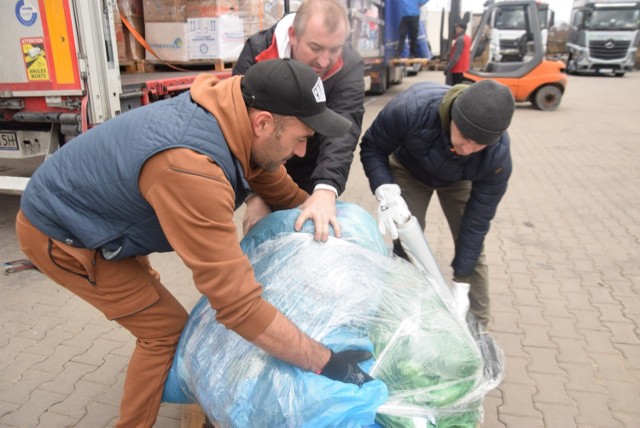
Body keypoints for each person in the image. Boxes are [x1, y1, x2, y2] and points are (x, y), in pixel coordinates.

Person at [15, 58, 373, 427]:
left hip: (107, 220)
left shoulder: (234, 116)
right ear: (263, 123)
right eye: (301, 139)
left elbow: (285, 194)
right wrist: (326, 362)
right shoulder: (191, 169)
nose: (301, 152)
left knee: (157, 307)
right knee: (164, 333)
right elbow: (239, 308)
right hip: (63, 233)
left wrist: (336, 227)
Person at [359, 79, 516, 328]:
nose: (467, 148)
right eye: (464, 136)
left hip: (460, 179)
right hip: (409, 168)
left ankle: (477, 331)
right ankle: (399, 316)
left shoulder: (496, 157)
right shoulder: (412, 108)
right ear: (453, 115)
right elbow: (372, 147)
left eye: (479, 144)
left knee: (473, 249)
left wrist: (461, 282)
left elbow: (476, 225)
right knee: (407, 240)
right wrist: (383, 187)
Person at [233, 0, 365, 239]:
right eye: (315, 48)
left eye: (335, 50)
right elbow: (240, 127)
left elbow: (344, 131)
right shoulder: (258, 52)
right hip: (261, 164)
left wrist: (326, 189)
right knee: (262, 235)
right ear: (293, 35)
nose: (325, 61)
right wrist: (254, 195)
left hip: (311, 165)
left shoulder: (349, 65)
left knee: (311, 232)